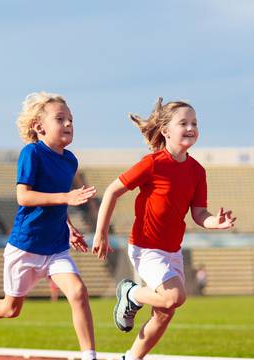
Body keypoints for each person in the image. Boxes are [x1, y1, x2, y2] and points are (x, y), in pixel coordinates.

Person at [0, 91, 98, 360]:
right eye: (60, 119)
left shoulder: (70, 160)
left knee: (78, 291)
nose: (68, 124)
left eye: (71, 120)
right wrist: (66, 198)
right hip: (26, 246)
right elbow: (24, 196)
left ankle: (89, 356)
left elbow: (55, 200)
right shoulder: (32, 153)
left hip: (55, 248)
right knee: (11, 309)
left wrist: (68, 227)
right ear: (39, 127)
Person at [92, 97, 236, 360]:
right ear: (166, 130)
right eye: (184, 123)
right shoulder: (153, 163)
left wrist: (215, 222)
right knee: (173, 298)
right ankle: (131, 293)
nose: (191, 128)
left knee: (165, 312)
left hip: (172, 251)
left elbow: (199, 213)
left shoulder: (197, 171)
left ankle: (131, 358)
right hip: (146, 248)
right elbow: (113, 190)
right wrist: (100, 233)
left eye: (195, 123)